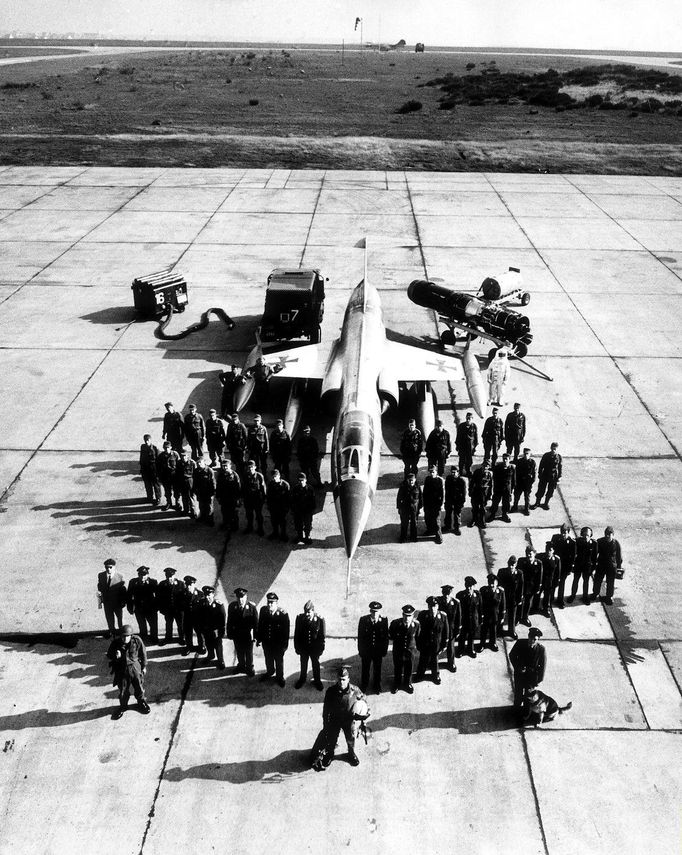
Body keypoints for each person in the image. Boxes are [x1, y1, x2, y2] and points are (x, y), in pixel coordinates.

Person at [319, 666, 368, 768]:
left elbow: (364, 702)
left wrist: (366, 713)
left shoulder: (355, 690)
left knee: (350, 738)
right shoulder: (331, 691)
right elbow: (326, 709)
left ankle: (351, 753)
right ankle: (330, 754)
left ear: (348, 680)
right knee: (332, 739)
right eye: (340, 679)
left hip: (348, 720)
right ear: (337, 679)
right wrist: (325, 724)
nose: (341, 682)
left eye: (344, 680)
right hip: (335, 719)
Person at [106, 624, 150, 720]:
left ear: (131, 635)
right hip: (122, 669)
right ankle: (123, 706)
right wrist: (115, 655)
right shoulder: (115, 643)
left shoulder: (137, 640)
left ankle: (141, 702)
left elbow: (143, 653)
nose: (125, 638)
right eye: (123, 636)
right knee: (123, 689)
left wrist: (144, 666)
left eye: (127, 636)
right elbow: (109, 655)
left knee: (139, 686)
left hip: (135, 668)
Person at [256, 592, 289, 687]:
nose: (270, 604)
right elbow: (260, 626)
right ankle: (270, 672)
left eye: (272, 603)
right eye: (268, 602)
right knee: (268, 659)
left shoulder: (283, 614)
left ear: (276, 603)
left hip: (278, 645)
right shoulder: (263, 611)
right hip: (267, 643)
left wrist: (284, 646)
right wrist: (259, 639)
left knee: (279, 661)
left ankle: (280, 677)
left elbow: (286, 632)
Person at [509, 627, 546, 709]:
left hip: (531, 677)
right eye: (531, 638)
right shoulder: (520, 643)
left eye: (535, 639)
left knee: (528, 696)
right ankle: (516, 710)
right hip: (520, 674)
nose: (532, 641)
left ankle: (525, 713)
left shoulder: (541, 649)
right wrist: (517, 667)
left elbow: (543, 666)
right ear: (528, 636)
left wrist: (539, 680)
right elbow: (512, 655)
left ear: (538, 640)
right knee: (518, 693)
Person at [357, 601, 389, 693]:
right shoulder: (363, 620)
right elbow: (360, 637)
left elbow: (385, 637)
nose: (375, 614)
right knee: (365, 668)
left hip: (378, 651)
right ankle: (364, 684)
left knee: (377, 668)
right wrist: (360, 650)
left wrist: (384, 650)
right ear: (370, 611)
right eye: (373, 611)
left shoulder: (384, 620)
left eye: (377, 612)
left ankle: (377, 685)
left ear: (379, 612)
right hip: (366, 651)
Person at [226, 587, 258, 676]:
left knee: (248, 653)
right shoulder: (232, 606)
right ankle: (241, 666)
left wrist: (256, 636)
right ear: (236, 598)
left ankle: (250, 667)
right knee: (239, 651)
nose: (241, 600)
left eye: (242, 597)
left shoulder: (252, 607)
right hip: (237, 635)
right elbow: (230, 621)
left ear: (246, 597)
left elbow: (256, 623)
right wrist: (229, 633)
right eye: (239, 598)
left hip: (248, 635)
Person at [416, 596, 448, 684]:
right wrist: (418, 644)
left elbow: (446, 632)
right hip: (425, 643)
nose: (432, 608)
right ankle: (420, 675)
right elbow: (418, 631)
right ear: (428, 607)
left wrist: (444, 644)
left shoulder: (442, 616)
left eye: (434, 606)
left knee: (434, 660)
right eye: (430, 606)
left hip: (436, 644)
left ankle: (435, 676)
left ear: (438, 606)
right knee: (423, 660)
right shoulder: (422, 615)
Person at [294, 600, 326, 690]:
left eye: (308, 612)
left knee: (316, 665)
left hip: (314, 649)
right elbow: (297, 635)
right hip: (304, 648)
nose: (306, 614)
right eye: (305, 612)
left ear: (313, 611)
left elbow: (322, 637)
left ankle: (317, 681)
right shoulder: (300, 618)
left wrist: (320, 649)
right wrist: (297, 648)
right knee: (303, 664)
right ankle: (302, 679)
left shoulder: (319, 620)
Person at [389, 604, 420, 694]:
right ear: (402, 615)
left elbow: (417, 636)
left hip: (410, 651)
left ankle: (407, 683)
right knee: (398, 668)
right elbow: (391, 635)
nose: (407, 618)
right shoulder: (395, 624)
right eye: (405, 615)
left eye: (409, 616)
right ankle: (397, 684)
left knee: (409, 668)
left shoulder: (416, 625)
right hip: (398, 651)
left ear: (413, 616)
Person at [126, 565, 158, 643]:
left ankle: (154, 638)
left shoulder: (153, 582)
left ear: (148, 575)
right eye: (141, 575)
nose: (142, 577)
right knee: (142, 624)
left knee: (153, 624)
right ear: (138, 575)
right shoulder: (133, 582)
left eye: (144, 575)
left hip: (151, 608)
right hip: (139, 608)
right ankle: (143, 637)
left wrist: (157, 607)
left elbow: (158, 596)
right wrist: (130, 608)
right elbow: (129, 596)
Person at [592, 525, 623, 606]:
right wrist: (594, 565)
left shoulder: (616, 543)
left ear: (613, 535)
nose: (607, 536)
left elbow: (619, 556)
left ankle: (609, 596)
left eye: (609, 534)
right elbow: (595, 554)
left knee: (610, 582)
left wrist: (619, 567)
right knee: (597, 580)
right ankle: (595, 593)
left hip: (611, 567)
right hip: (601, 565)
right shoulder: (599, 541)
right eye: (606, 534)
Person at [97, 558, 126, 638]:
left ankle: (122, 633)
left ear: (114, 567)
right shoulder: (101, 575)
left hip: (117, 603)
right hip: (107, 603)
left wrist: (123, 602)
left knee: (120, 619)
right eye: (106, 567)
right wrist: (100, 600)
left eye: (110, 567)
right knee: (109, 619)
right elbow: (100, 586)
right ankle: (112, 632)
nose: (108, 569)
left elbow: (123, 590)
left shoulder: (120, 576)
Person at [568, 526, 597, 605]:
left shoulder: (594, 544)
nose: (585, 537)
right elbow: (574, 553)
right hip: (578, 565)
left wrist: (594, 568)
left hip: (587, 567)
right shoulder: (577, 542)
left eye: (587, 535)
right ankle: (572, 595)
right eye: (584, 535)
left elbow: (594, 558)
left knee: (586, 582)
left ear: (590, 536)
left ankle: (585, 597)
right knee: (575, 581)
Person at [199, 586, 226, 669]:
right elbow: (199, 617)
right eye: (205, 595)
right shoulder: (201, 603)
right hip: (206, 630)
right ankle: (210, 656)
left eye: (209, 595)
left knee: (218, 646)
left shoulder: (219, 605)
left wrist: (221, 632)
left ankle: (220, 660)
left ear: (213, 594)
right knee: (208, 643)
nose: (207, 597)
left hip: (216, 631)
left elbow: (222, 620)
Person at [157, 567, 185, 645]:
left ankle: (182, 638)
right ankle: (168, 638)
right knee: (168, 624)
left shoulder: (181, 584)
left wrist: (182, 608)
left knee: (180, 625)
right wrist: (162, 609)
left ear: (174, 575)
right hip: (168, 610)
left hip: (179, 610)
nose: (170, 578)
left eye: (171, 576)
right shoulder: (162, 584)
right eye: (168, 577)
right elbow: (159, 598)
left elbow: (184, 597)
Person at [498, 556, 524, 638]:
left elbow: (521, 588)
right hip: (504, 598)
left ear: (516, 565)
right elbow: (498, 584)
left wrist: (519, 599)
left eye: (513, 565)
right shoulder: (502, 572)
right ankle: (499, 630)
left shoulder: (519, 574)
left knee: (512, 616)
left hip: (513, 599)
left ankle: (511, 631)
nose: (511, 566)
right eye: (509, 564)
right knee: (501, 615)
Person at [551, 523, 576, 609]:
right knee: (554, 582)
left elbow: (573, 557)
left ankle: (560, 600)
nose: (563, 534)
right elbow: (551, 549)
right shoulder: (555, 538)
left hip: (565, 567)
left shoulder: (572, 543)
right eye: (562, 532)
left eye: (565, 533)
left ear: (568, 533)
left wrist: (570, 569)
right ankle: (551, 598)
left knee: (562, 584)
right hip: (556, 565)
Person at [437, 584, 461, 673]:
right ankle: (433, 662)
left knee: (451, 648)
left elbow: (459, 617)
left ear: (451, 593)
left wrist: (458, 630)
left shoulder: (456, 603)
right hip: (440, 629)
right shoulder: (438, 601)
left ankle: (451, 663)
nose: (446, 596)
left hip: (451, 629)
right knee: (438, 646)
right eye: (444, 594)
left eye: (448, 594)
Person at [479, 573, 506, 652]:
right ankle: (482, 644)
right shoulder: (483, 590)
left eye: (493, 583)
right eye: (490, 583)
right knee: (484, 630)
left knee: (493, 630)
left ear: (496, 583)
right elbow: (480, 604)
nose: (491, 585)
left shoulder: (500, 591)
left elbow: (503, 605)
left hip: (495, 615)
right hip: (486, 614)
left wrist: (502, 617)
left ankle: (493, 643)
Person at [215, 457, 241, 535]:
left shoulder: (235, 475)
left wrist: (238, 498)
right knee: (224, 511)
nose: (225, 467)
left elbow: (238, 487)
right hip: (224, 497)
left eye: (226, 466)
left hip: (232, 497)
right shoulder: (221, 475)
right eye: (223, 466)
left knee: (233, 513)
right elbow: (218, 486)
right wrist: (218, 496)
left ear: (230, 466)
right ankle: (226, 524)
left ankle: (235, 526)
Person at [533, 442, 562, 511]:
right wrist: (540, 474)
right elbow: (541, 465)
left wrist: (559, 476)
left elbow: (560, 467)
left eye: (555, 449)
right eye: (552, 448)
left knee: (550, 490)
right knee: (541, 489)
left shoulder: (559, 457)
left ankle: (546, 503)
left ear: (557, 449)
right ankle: (537, 503)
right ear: (550, 448)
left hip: (553, 476)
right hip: (545, 474)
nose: (553, 450)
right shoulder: (546, 455)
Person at [518, 546, 544, 625]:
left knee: (528, 603)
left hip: (531, 587)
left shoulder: (538, 563)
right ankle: (518, 617)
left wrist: (538, 588)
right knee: (520, 602)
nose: (528, 555)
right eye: (527, 554)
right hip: (522, 586)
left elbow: (540, 576)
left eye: (530, 554)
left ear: (534, 554)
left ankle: (525, 617)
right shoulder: (521, 561)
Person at [456, 576, 481, 658]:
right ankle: (461, 650)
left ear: (474, 586)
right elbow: (458, 610)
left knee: (471, 635)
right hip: (464, 620)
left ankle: (471, 649)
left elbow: (480, 608)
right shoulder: (460, 595)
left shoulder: (477, 594)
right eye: (467, 586)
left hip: (474, 620)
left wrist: (480, 619)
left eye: (470, 586)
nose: (468, 588)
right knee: (462, 636)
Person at [488, 453, 516, 523]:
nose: (504, 460)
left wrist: (511, 490)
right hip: (498, 489)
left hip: (507, 489)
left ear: (509, 460)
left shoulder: (512, 468)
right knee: (495, 502)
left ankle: (504, 515)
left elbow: (514, 480)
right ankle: (492, 514)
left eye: (506, 459)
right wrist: (494, 489)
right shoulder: (498, 467)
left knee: (506, 503)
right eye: (503, 458)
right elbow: (494, 479)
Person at [180, 575, 205, 655]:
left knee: (199, 633)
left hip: (197, 618)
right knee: (188, 633)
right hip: (187, 618)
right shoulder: (182, 593)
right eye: (187, 585)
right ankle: (189, 647)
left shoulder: (200, 594)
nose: (188, 587)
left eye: (190, 585)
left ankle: (202, 646)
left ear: (194, 584)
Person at [241, 459, 266, 535]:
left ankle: (260, 528)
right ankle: (250, 527)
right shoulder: (245, 476)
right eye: (248, 467)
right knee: (249, 514)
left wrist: (264, 499)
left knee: (258, 515)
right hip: (248, 499)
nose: (250, 468)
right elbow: (243, 487)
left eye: (252, 467)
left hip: (257, 499)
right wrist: (242, 498)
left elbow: (263, 488)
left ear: (255, 467)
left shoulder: (259, 476)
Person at [396, 471, 422, 543]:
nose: (411, 482)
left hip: (414, 508)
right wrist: (399, 508)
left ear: (415, 480)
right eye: (409, 480)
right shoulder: (403, 487)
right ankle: (403, 537)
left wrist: (420, 508)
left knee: (414, 523)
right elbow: (399, 498)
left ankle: (413, 537)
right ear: (407, 480)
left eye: (412, 480)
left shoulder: (418, 487)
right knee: (404, 523)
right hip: (405, 508)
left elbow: (420, 498)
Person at [291, 471, 315, 545]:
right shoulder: (295, 489)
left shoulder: (310, 489)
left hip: (307, 511)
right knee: (298, 524)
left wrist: (311, 510)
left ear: (306, 480)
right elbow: (292, 500)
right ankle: (300, 536)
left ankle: (307, 536)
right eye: (300, 480)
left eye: (302, 480)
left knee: (308, 524)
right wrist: (293, 510)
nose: (301, 482)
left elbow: (313, 501)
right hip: (298, 511)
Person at [422, 464, 444, 544]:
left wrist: (440, 504)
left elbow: (442, 494)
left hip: (436, 504)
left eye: (433, 472)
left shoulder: (440, 480)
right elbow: (424, 492)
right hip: (428, 503)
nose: (431, 473)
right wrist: (423, 502)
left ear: (436, 472)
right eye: (430, 472)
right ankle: (430, 530)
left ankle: (439, 536)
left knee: (436, 521)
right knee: (427, 518)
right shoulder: (427, 479)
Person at [266, 469, 290, 541]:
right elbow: (268, 496)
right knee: (274, 521)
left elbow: (288, 497)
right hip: (273, 507)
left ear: (279, 476)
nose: (274, 478)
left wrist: (287, 508)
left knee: (282, 522)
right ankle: (275, 533)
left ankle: (283, 534)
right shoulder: (270, 484)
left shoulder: (285, 485)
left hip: (282, 507)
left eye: (275, 476)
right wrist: (269, 506)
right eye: (273, 477)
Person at [468, 461, 492, 528]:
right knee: (475, 507)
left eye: (487, 466)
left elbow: (491, 485)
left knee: (482, 508)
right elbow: (472, 482)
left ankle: (482, 520)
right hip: (476, 492)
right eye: (484, 465)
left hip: (484, 494)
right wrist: (470, 491)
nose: (485, 467)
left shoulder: (489, 474)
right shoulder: (477, 472)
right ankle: (474, 519)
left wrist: (489, 495)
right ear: (482, 465)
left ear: (489, 467)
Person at [443, 465, 467, 535]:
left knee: (457, 515)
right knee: (448, 513)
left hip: (458, 500)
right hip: (449, 499)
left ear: (458, 472)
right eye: (452, 472)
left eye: (454, 472)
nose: (453, 474)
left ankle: (456, 528)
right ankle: (447, 526)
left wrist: (462, 502)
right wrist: (446, 500)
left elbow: (464, 493)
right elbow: (447, 490)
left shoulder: (461, 481)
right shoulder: (448, 478)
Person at [157, 440, 181, 511]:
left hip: (174, 476)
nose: (166, 449)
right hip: (165, 476)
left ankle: (178, 503)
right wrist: (159, 477)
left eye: (168, 447)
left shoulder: (175, 454)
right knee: (167, 491)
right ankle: (169, 503)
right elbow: (158, 467)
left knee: (176, 491)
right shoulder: (161, 456)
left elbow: (179, 465)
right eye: (165, 447)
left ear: (171, 447)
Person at [139, 434, 162, 505]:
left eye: (148, 440)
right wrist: (141, 468)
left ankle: (158, 498)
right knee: (147, 484)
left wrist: (158, 470)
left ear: (150, 440)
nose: (146, 442)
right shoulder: (143, 447)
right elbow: (141, 458)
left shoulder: (155, 448)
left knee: (156, 484)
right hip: (145, 469)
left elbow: (159, 460)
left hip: (153, 469)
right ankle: (150, 497)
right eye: (145, 440)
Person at [512, 447, 536, 515]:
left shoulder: (532, 462)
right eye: (525, 454)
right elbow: (516, 473)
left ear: (530, 454)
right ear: (523, 453)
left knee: (527, 497)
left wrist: (531, 483)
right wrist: (515, 482)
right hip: (520, 482)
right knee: (516, 496)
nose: (526, 455)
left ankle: (526, 509)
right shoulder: (519, 461)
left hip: (527, 483)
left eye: (527, 454)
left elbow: (534, 474)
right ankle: (515, 507)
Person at [193, 455, 216, 525]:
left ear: (204, 462)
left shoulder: (209, 471)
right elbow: (195, 482)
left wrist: (213, 492)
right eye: (197, 463)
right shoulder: (196, 471)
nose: (199, 464)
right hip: (200, 492)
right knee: (201, 505)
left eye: (200, 462)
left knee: (209, 507)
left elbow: (213, 482)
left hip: (208, 492)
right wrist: (195, 491)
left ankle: (210, 520)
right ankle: (202, 517)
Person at [540, 542, 561, 616]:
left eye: (550, 550)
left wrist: (556, 582)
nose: (548, 552)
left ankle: (546, 609)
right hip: (541, 580)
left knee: (548, 596)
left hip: (550, 581)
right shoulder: (541, 557)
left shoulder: (556, 559)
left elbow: (557, 572)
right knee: (537, 594)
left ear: (553, 551)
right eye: (547, 550)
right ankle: (535, 608)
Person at [455, 412, 478, 477]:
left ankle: (468, 471)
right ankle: (461, 471)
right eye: (467, 418)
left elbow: (475, 437)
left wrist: (475, 446)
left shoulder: (474, 426)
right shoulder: (461, 426)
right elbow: (458, 436)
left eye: (469, 419)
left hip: (470, 446)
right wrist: (457, 446)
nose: (468, 420)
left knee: (469, 460)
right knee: (461, 459)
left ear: (472, 419)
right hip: (462, 446)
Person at [176, 448, 197, 518]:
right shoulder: (179, 462)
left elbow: (195, 474)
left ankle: (193, 512)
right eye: (182, 456)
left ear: (188, 455)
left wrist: (195, 485)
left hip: (190, 481)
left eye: (185, 455)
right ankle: (186, 510)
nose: (183, 457)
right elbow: (177, 473)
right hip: (182, 482)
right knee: (184, 497)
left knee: (191, 497)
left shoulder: (192, 463)